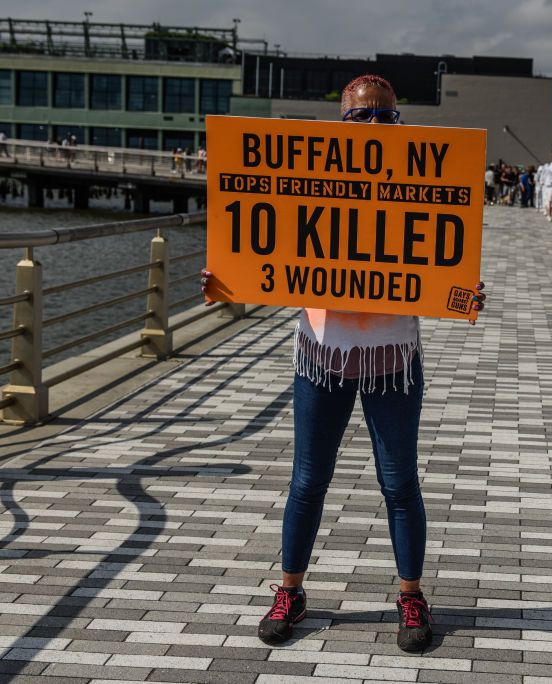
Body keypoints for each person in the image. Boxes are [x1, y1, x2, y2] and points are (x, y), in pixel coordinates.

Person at [203, 74, 487, 651]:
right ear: (341, 123)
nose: (373, 124)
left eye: (383, 114)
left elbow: (442, 255)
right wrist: (226, 279)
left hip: (392, 357)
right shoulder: (309, 179)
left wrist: (463, 294)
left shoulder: (423, 172)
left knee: (399, 481)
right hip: (322, 354)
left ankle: (411, 594)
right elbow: (263, 238)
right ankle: (291, 590)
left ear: (399, 122)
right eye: (360, 116)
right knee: (308, 481)